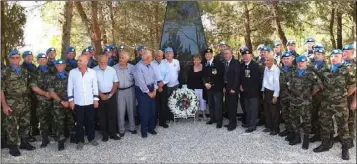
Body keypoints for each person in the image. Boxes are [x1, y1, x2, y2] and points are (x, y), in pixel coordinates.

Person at [313, 49, 355, 160]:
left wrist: (343, 95)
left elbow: (352, 86)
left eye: (336, 56)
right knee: (325, 123)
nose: (334, 58)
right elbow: (320, 81)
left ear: (341, 58)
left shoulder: (347, 70)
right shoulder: (326, 70)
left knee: (343, 127)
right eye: (332, 56)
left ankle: (345, 148)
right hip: (326, 103)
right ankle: (326, 143)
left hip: (340, 104)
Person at [1, 49, 36, 156]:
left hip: (25, 101)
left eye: (17, 57)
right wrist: (4, 105)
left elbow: (28, 85)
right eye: (13, 57)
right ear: (9, 59)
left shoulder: (24, 70)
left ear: (20, 58)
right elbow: (1, 89)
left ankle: (24, 142)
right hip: (11, 102)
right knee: (11, 125)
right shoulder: (4, 72)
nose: (15, 59)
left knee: (25, 123)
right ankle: (13, 146)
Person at [67, 55, 100, 150]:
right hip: (78, 102)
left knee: (90, 121)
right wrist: (71, 100)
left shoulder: (92, 72)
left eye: (81, 61)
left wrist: (96, 99)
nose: (78, 62)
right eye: (78, 60)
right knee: (79, 123)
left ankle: (91, 138)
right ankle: (80, 141)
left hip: (90, 101)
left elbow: (95, 87)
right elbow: (70, 87)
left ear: (86, 62)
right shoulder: (73, 72)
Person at [288, 55, 320, 150]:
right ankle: (297, 137)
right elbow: (289, 85)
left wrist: (309, 95)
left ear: (306, 62)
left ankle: (306, 138)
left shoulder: (311, 73)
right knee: (294, 119)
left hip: (305, 103)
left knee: (306, 121)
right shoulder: (293, 72)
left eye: (302, 62)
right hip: (294, 101)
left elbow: (316, 88)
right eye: (298, 62)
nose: (300, 64)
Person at [48, 59, 75, 151]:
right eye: (58, 65)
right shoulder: (52, 77)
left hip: (70, 102)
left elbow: (75, 88)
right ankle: (61, 141)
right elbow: (51, 92)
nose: (60, 67)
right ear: (56, 66)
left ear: (64, 66)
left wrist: (69, 101)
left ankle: (72, 137)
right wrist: (61, 102)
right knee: (59, 122)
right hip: (58, 103)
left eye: (62, 65)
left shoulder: (70, 75)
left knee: (71, 120)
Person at [94, 55, 120, 141]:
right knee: (102, 116)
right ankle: (105, 134)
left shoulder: (112, 70)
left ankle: (113, 133)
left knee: (112, 115)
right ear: (98, 61)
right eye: (101, 62)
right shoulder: (93, 71)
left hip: (111, 95)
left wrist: (110, 94)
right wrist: (100, 94)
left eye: (104, 62)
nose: (102, 63)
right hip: (99, 96)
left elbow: (116, 83)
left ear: (107, 61)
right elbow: (92, 85)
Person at [30, 53, 53, 148]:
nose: (43, 60)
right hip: (41, 101)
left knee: (55, 118)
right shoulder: (34, 72)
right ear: (38, 61)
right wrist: (45, 94)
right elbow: (34, 87)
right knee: (43, 120)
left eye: (44, 59)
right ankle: (45, 139)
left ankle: (57, 136)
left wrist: (53, 94)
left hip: (53, 99)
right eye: (40, 59)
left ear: (47, 60)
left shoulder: (52, 70)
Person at [133, 50, 158, 138]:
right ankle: (144, 131)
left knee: (152, 110)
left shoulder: (150, 66)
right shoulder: (138, 67)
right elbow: (141, 82)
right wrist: (148, 92)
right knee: (144, 111)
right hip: (142, 91)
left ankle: (151, 128)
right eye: (151, 56)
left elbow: (155, 77)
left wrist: (155, 89)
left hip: (151, 88)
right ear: (147, 58)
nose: (152, 58)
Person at [114, 51, 137, 137]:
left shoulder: (132, 68)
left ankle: (132, 127)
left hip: (130, 90)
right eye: (120, 57)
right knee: (120, 110)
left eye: (123, 58)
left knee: (131, 109)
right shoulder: (114, 68)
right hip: (119, 91)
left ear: (127, 59)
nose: (121, 59)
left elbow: (136, 79)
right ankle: (121, 129)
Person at [309, 48, 329, 143]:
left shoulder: (326, 68)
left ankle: (328, 137)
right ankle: (317, 134)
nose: (316, 55)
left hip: (322, 97)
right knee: (315, 115)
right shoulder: (314, 65)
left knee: (323, 117)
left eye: (319, 54)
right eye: (315, 53)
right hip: (315, 97)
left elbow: (323, 85)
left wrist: (313, 92)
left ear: (324, 56)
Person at [239, 46, 260, 133]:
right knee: (247, 108)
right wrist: (240, 85)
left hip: (253, 92)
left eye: (248, 55)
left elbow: (255, 79)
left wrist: (245, 87)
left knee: (253, 109)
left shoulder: (254, 65)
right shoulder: (242, 65)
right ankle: (248, 123)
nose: (246, 57)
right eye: (244, 56)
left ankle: (252, 126)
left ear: (251, 56)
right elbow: (241, 77)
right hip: (245, 92)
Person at [202, 48, 224, 128]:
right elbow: (203, 75)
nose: (207, 55)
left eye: (209, 54)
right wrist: (205, 83)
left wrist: (211, 83)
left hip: (217, 87)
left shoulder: (218, 63)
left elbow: (219, 76)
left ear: (212, 54)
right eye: (206, 54)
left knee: (218, 105)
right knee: (211, 104)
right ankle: (212, 118)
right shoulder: (204, 63)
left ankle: (219, 121)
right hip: (208, 88)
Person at [21, 50, 39, 142]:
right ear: (23, 58)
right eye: (27, 56)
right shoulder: (22, 68)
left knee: (34, 113)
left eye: (30, 56)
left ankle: (35, 130)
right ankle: (26, 134)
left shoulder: (34, 67)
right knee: (26, 115)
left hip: (35, 95)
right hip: (26, 95)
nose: (29, 57)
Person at [278, 51, 295, 141]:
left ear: (291, 59)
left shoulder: (295, 70)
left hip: (291, 97)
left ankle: (293, 132)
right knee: (285, 114)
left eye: (288, 58)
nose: (286, 60)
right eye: (284, 59)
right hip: (282, 96)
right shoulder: (280, 69)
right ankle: (288, 129)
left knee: (292, 115)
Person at [261, 53, 280, 135]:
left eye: (268, 60)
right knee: (267, 110)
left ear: (272, 61)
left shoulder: (276, 69)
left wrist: (275, 95)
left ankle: (276, 129)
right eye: (265, 60)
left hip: (273, 92)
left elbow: (277, 83)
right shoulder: (266, 68)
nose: (266, 62)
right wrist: (263, 90)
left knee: (274, 112)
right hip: (266, 91)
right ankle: (269, 126)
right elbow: (264, 79)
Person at [341, 44, 356, 148]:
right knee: (342, 118)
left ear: (353, 52)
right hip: (341, 97)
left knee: (350, 119)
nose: (344, 53)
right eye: (344, 51)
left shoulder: (355, 66)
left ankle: (350, 140)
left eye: (347, 51)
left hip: (351, 97)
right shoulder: (342, 64)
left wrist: (355, 101)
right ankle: (342, 136)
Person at [151, 50, 171, 127]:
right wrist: (157, 86)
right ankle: (154, 121)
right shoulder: (151, 64)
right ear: (155, 56)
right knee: (155, 105)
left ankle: (163, 122)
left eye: (161, 56)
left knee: (163, 104)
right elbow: (151, 76)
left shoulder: (165, 64)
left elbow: (168, 75)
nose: (159, 57)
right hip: (154, 86)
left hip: (163, 85)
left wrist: (162, 83)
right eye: (158, 56)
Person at [222, 49, 240, 131]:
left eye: (227, 53)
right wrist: (224, 87)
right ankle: (230, 122)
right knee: (228, 106)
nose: (225, 55)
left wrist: (234, 88)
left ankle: (233, 124)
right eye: (224, 54)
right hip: (226, 87)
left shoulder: (235, 62)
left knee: (233, 106)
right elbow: (224, 76)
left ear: (231, 54)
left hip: (233, 88)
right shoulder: (225, 63)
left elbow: (237, 77)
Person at [187, 55, 207, 121]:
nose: (195, 61)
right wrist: (189, 89)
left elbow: (206, 77)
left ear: (200, 60)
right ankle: (196, 116)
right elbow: (189, 79)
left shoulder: (204, 67)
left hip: (202, 88)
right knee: (196, 102)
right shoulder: (191, 68)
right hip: (194, 88)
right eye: (194, 60)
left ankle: (204, 115)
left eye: (197, 60)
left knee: (203, 101)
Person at [163, 47, 180, 120]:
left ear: (173, 54)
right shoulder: (162, 62)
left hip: (175, 85)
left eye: (170, 53)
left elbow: (178, 72)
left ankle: (175, 116)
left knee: (175, 101)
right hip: (166, 86)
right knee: (166, 101)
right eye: (166, 53)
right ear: (165, 54)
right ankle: (167, 117)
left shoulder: (176, 62)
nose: (168, 54)